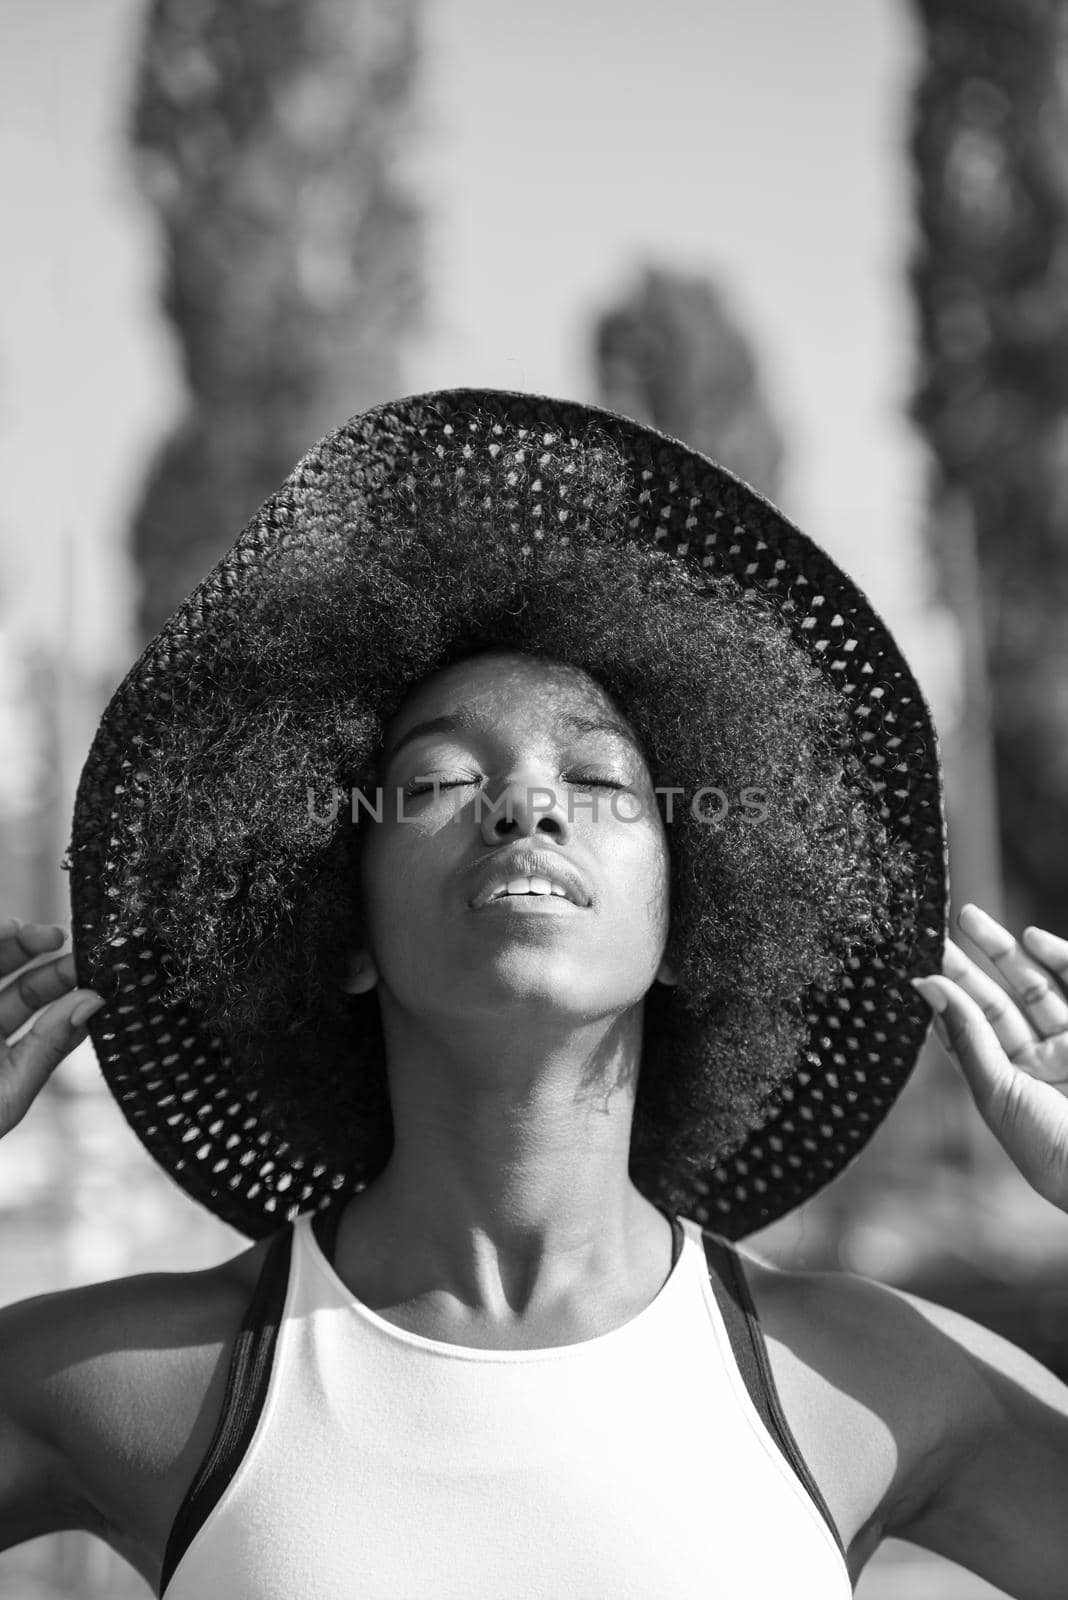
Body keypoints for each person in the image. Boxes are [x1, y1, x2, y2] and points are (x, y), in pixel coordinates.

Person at [2, 389, 1067, 1598]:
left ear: (690, 921)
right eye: (441, 779)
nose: (526, 805)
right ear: (341, 931)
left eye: (601, 777)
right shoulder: (153, 1380)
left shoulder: (862, 1381)